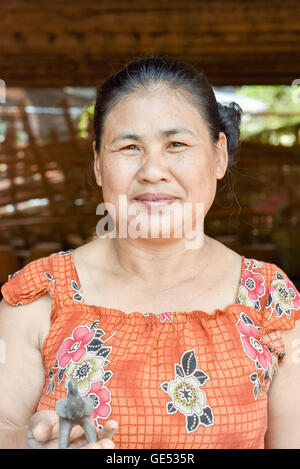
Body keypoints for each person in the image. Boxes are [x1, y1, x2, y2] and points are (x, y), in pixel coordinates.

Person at [1, 56, 300, 450]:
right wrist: (31, 445)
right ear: (97, 165)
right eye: (129, 146)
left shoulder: (268, 298)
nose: (152, 170)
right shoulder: (40, 297)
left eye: (176, 144)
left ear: (219, 155)